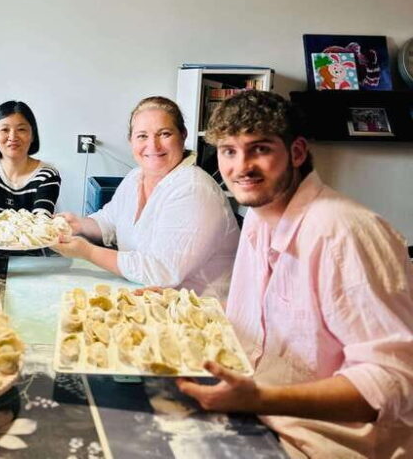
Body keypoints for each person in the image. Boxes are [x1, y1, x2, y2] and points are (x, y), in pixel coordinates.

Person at [177, 90, 413, 457]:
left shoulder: (344, 233)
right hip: (260, 419)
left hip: (322, 445)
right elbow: (259, 325)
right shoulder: (258, 218)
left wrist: (259, 398)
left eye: (260, 149)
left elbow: (394, 380)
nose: (241, 167)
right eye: (229, 151)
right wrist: (175, 307)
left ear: (297, 152)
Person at [52, 96, 239, 299]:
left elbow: (161, 271)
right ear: (131, 141)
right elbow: (109, 221)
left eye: (164, 134)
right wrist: (77, 224)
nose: (153, 145)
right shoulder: (135, 177)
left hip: (200, 310)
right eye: (142, 136)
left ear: (183, 135)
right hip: (149, 299)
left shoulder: (194, 189)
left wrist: (88, 252)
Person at [0, 100, 61, 217]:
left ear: (32, 135)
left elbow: (41, 222)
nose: (13, 137)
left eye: (21, 129)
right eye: (5, 130)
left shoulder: (48, 175)